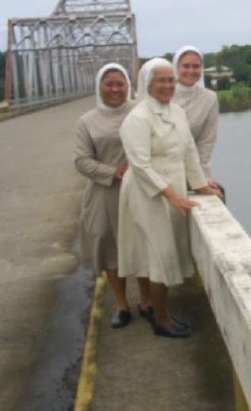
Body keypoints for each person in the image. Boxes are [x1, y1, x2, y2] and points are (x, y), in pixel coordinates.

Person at [117, 58, 220, 338]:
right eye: (160, 81)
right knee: (159, 255)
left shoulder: (176, 112)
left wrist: (201, 185)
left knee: (164, 253)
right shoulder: (137, 119)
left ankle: (161, 311)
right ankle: (161, 320)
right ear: (147, 84)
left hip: (171, 187)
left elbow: (189, 151)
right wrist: (170, 194)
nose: (167, 86)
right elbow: (140, 165)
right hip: (147, 193)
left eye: (170, 80)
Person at [74, 63, 150, 328]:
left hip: (139, 191)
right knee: (111, 252)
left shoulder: (141, 110)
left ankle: (147, 301)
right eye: (109, 84)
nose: (115, 89)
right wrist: (113, 172)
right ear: (99, 87)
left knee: (140, 246)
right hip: (104, 193)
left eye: (120, 83)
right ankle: (121, 305)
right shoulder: (87, 121)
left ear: (128, 86)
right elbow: (81, 161)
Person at [171, 45, 224, 200]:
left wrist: (203, 179)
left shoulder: (209, 98)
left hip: (191, 170)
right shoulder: (165, 94)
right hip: (164, 170)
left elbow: (206, 143)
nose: (191, 71)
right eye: (186, 66)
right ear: (176, 67)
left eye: (196, 66)